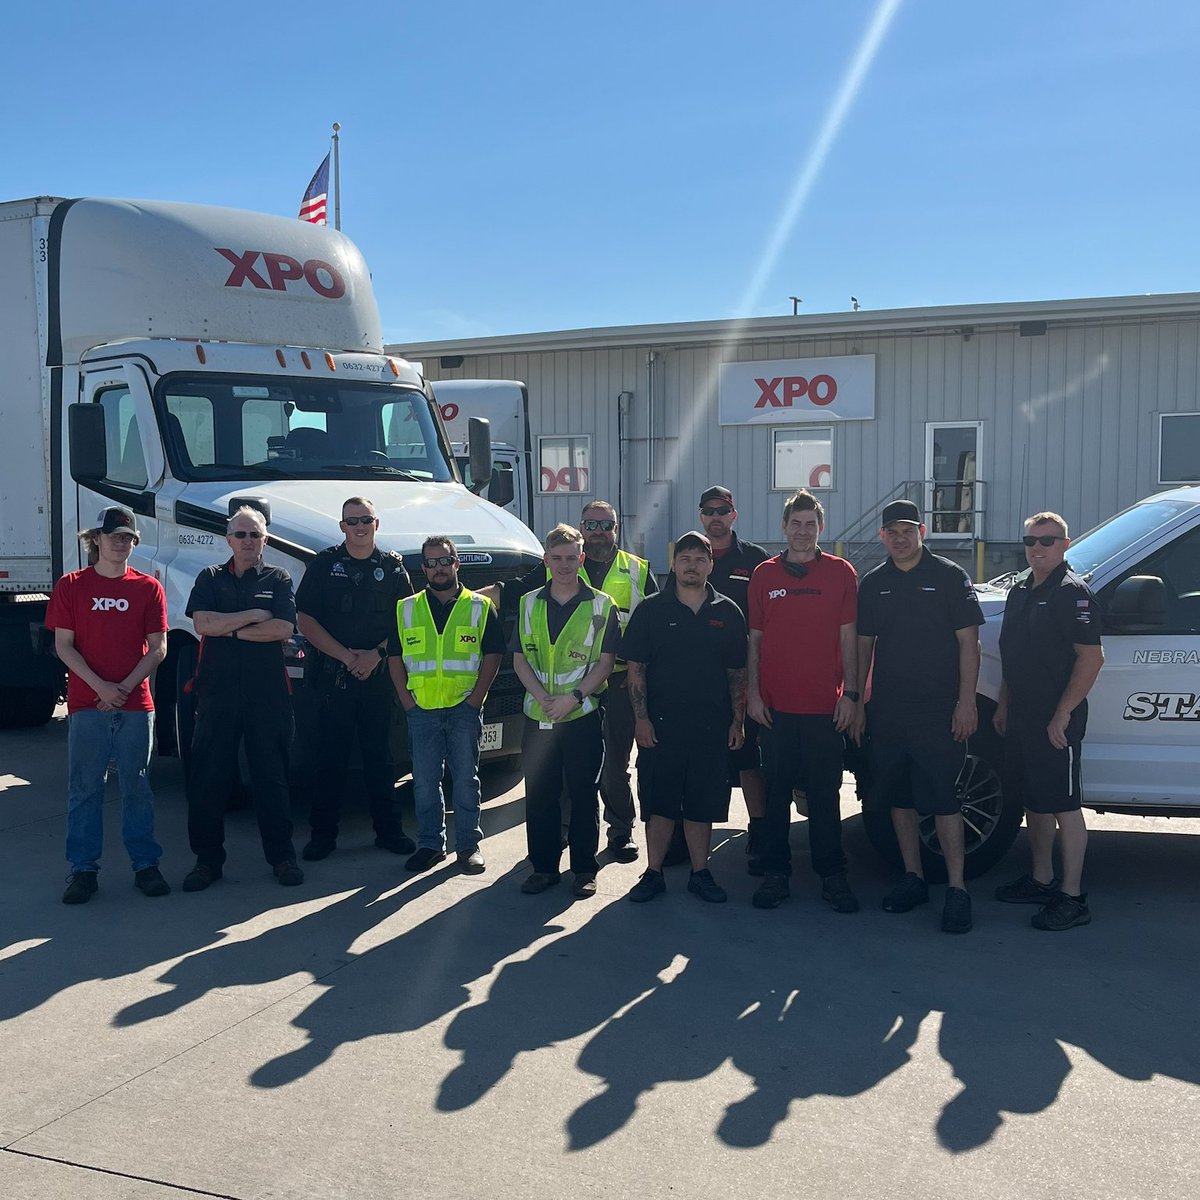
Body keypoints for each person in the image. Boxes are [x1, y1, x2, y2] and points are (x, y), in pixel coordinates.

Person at [479, 499, 656, 863]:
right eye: (591, 525)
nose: (598, 532)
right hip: (563, 694)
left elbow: (657, 624)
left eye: (605, 525)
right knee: (563, 772)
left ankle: (620, 831)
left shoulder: (637, 570)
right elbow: (509, 591)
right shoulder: (561, 564)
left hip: (621, 683)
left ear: (616, 529)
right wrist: (461, 597)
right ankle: (561, 833)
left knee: (614, 766)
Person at [855, 499, 985, 934]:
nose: (900, 537)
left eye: (907, 529)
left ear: (922, 531)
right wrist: (856, 700)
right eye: (892, 531)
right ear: (882, 536)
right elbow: (862, 647)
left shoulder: (949, 576)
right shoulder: (874, 583)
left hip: (938, 710)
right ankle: (913, 878)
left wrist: (966, 701)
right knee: (899, 798)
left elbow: (970, 644)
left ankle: (956, 889)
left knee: (944, 799)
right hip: (889, 710)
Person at [45, 506, 169, 904]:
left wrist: (124, 688)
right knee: (85, 789)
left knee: (138, 787)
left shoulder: (149, 588)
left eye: (128, 537)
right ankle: (83, 871)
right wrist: (101, 687)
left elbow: (158, 648)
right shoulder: (71, 586)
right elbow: (64, 646)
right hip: (86, 703)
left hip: (136, 705)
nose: (121, 542)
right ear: (94, 539)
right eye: (113, 535)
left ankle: (145, 865)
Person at [746, 489, 860, 913]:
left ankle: (832, 874)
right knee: (775, 796)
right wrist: (754, 694)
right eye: (796, 523)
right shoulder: (764, 575)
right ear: (784, 526)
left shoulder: (841, 573)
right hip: (775, 708)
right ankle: (777, 874)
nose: (802, 531)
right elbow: (754, 640)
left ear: (821, 528)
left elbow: (849, 638)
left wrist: (850, 694)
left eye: (811, 524)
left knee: (825, 796)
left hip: (824, 710)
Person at [623, 531, 747, 905]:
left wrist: (736, 721)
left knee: (701, 803)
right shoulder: (650, 610)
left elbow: (738, 673)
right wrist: (640, 720)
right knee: (660, 802)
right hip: (661, 727)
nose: (692, 566)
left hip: (711, 727)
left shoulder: (727, 612)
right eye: (684, 559)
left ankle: (700, 873)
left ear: (711, 565)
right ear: (673, 564)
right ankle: (653, 873)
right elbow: (636, 669)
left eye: (700, 559)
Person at [182, 506, 303, 890]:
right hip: (217, 696)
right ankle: (207, 861)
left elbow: (282, 628)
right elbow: (202, 623)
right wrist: (252, 614)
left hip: (267, 697)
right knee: (209, 779)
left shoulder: (279, 578)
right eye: (241, 534)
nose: (248, 541)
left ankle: (283, 858)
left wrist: (228, 629)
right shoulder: (209, 577)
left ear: (265, 540)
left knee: (272, 778)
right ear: (228, 538)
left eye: (255, 535)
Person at [993, 512, 1104, 931]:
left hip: (1057, 718)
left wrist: (1063, 713)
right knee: (1033, 801)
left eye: (1048, 540)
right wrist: (1004, 703)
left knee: (1064, 806)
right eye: (1031, 540)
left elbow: (1091, 658)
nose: (1037, 547)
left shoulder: (1072, 594)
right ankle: (1041, 879)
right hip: (1021, 713)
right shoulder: (1019, 590)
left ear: (1065, 543)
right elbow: (1012, 655)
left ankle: (1073, 897)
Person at [295, 496, 415, 861]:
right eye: (352, 521)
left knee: (381, 757)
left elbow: (406, 621)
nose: (359, 526)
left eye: (365, 520)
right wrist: (348, 657)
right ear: (342, 526)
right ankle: (323, 836)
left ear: (376, 524)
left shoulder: (393, 569)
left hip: (379, 676)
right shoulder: (324, 564)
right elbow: (305, 620)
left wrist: (376, 654)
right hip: (334, 677)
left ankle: (389, 831)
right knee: (330, 758)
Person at [512, 524, 620, 899]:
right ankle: (543, 868)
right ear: (546, 559)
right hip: (538, 714)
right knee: (540, 795)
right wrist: (543, 697)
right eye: (556, 558)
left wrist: (572, 697)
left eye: (571, 558)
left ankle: (584, 870)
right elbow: (519, 658)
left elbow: (605, 663)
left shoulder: (601, 605)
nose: (564, 565)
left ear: (582, 559)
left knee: (583, 793)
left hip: (581, 716)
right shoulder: (528, 602)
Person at [389, 536, 504, 874]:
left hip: (463, 709)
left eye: (444, 561)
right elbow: (394, 657)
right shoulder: (406, 608)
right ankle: (430, 845)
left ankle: (468, 846)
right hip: (421, 709)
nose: (438, 568)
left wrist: (476, 699)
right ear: (424, 568)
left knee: (466, 779)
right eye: (431, 562)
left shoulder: (480, 607)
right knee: (424, 782)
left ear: (457, 563)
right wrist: (406, 701)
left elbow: (493, 653)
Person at [697, 485, 771, 873]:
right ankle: (690, 835)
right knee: (702, 758)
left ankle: (759, 832)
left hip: (745, 678)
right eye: (708, 511)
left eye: (722, 510)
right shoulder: (690, 557)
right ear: (701, 516)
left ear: (733, 514)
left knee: (748, 759)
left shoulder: (756, 560)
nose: (715, 517)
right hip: (699, 681)